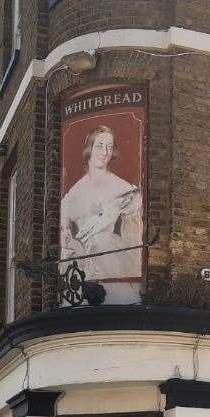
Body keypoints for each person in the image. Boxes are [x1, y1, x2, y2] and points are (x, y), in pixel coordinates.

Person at [59, 124, 144, 305]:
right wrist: (74, 245)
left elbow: (134, 243)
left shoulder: (123, 189)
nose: (105, 152)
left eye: (110, 147)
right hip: (79, 267)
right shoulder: (73, 193)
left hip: (109, 260)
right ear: (89, 148)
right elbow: (63, 233)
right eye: (100, 146)